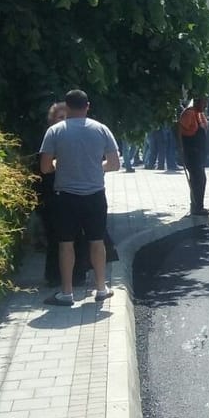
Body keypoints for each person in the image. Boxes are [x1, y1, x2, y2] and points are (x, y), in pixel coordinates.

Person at [39, 89, 121, 305]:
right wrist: (96, 166)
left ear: (67, 107)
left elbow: (45, 167)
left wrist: (60, 164)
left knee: (66, 244)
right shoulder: (101, 129)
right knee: (96, 241)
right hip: (95, 195)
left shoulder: (55, 132)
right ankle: (101, 288)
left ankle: (66, 293)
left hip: (65, 197)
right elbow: (114, 164)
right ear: (88, 106)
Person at [178, 96, 209, 216]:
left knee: (200, 180)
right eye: (204, 102)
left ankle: (198, 206)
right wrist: (180, 149)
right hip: (192, 154)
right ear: (197, 101)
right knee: (198, 180)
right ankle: (196, 208)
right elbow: (179, 130)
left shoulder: (199, 113)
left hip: (199, 154)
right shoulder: (189, 114)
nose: (206, 106)